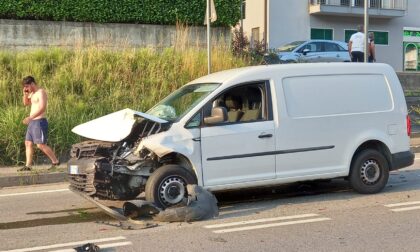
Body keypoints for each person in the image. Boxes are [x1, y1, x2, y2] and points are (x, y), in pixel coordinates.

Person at [19, 76, 60, 172]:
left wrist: (30, 117)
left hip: (39, 121)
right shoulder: (32, 94)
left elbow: (42, 108)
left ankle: (55, 161)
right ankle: (28, 166)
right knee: (28, 143)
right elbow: (26, 103)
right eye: (25, 87)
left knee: (40, 145)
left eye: (27, 86)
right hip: (32, 122)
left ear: (32, 84)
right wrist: (25, 94)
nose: (26, 88)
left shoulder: (41, 92)